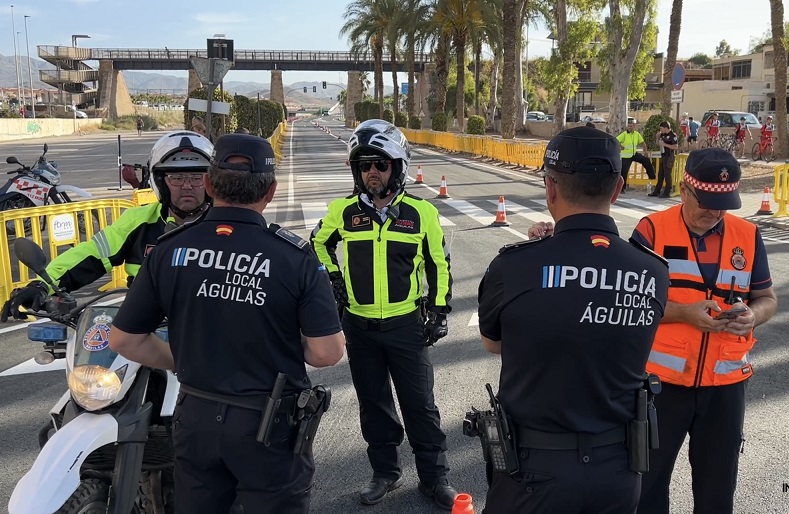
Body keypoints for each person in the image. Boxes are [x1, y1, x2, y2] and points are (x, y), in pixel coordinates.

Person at [109, 133, 346, 514]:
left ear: (207, 183)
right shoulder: (294, 259)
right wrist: (276, 344)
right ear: (270, 191)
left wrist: (180, 358)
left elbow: (124, 339)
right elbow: (327, 352)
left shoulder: (170, 250)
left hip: (195, 418)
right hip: (267, 426)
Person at [480, 126, 670, 513]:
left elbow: (494, 342)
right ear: (617, 189)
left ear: (551, 188)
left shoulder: (513, 267)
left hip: (533, 474)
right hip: (619, 471)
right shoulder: (652, 270)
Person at [310, 120, 458, 510]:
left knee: (420, 405)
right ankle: (385, 473)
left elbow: (438, 264)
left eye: (381, 164)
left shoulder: (420, 213)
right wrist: (334, 281)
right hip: (359, 327)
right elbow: (318, 245)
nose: (372, 172)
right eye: (364, 166)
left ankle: (435, 477)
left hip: (406, 325)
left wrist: (439, 308)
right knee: (373, 404)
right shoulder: (342, 211)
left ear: (398, 167)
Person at [632, 148, 778, 514]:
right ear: (684, 190)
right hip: (660, 387)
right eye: (708, 202)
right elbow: (630, 305)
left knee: (717, 491)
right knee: (646, 488)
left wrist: (753, 316)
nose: (715, 212)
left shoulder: (747, 234)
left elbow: (767, 297)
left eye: (724, 204)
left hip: (725, 389)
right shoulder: (651, 231)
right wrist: (683, 313)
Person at [1, 131, 214, 322]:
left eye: (197, 177)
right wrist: (42, 285)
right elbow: (90, 254)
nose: (187, 186)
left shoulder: (228, 224)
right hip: (144, 329)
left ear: (210, 182)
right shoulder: (138, 220)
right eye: (176, 177)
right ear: (159, 181)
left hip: (209, 326)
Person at [616, 119, 655, 192]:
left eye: (631, 126)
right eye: (628, 126)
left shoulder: (637, 134)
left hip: (634, 154)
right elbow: (615, 141)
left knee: (646, 160)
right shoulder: (624, 134)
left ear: (634, 126)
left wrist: (645, 151)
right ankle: (621, 188)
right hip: (626, 156)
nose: (629, 127)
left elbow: (643, 143)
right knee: (624, 172)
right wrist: (620, 146)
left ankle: (652, 176)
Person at [650, 121, 679, 198]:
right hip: (663, 156)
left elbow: (675, 147)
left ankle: (667, 192)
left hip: (669, 156)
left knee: (667, 175)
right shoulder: (662, 135)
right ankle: (657, 191)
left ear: (666, 128)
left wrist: (665, 145)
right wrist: (657, 137)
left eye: (661, 128)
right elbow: (658, 144)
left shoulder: (673, 135)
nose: (660, 130)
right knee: (660, 175)